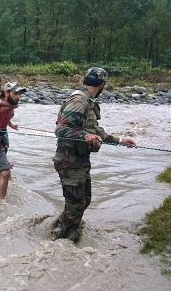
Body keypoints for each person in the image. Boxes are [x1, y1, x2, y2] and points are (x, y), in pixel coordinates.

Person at [51, 67, 136, 242]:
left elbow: (95, 131)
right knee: (76, 205)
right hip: (69, 161)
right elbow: (61, 129)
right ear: (102, 85)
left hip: (79, 161)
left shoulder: (87, 102)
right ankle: (61, 242)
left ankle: (61, 228)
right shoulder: (79, 101)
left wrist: (120, 140)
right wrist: (85, 136)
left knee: (84, 200)